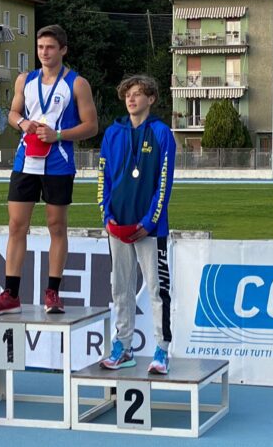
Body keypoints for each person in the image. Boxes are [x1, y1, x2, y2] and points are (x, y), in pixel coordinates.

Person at [0, 24, 97, 315]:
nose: (44, 53)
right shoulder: (26, 80)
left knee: (56, 227)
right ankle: (10, 294)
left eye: (50, 47)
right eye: (40, 47)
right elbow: (12, 112)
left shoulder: (77, 83)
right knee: (16, 226)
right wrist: (22, 123)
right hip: (26, 161)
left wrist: (58, 135)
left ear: (63, 50)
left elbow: (91, 126)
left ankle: (53, 293)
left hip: (58, 163)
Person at [97, 75, 176, 374]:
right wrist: (106, 215)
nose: (132, 99)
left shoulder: (161, 133)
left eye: (139, 94)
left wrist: (149, 221)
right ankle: (123, 346)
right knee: (121, 289)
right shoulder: (112, 134)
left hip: (149, 229)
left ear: (151, 99)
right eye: (128, 94)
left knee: (157, 290)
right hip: (117, 226)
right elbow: (103, 177)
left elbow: (164, 181)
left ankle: (162, 349)